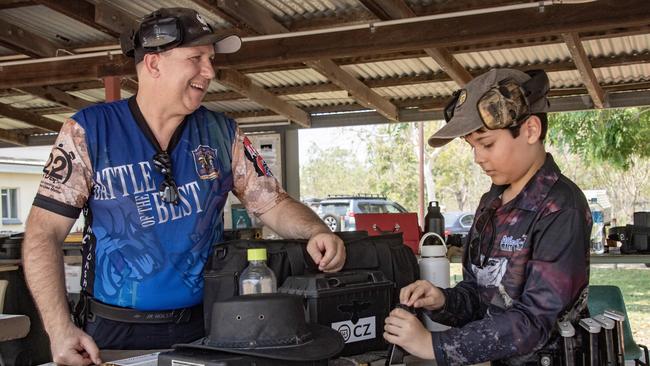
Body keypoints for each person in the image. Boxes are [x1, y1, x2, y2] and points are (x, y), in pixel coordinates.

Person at [22, 7, 345, 366]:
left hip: (206, 330)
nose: (209, 71)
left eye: (210, 59)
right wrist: (59, 328)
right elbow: (42, 233)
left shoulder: (223, 133)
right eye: (196, 58)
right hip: (112, 335)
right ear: (154, 64)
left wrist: (315, 229)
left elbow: (272, 203)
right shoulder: (88, 131)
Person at [383, 68, 592, 365]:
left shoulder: (561, 207)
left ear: (531, 130)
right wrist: (443, 301)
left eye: (487, 143)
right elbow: (480, 294)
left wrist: (435, 346)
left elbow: (535, 322)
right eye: (472, 146)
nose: (478, 157)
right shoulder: (491, 202)